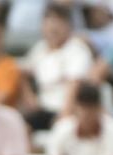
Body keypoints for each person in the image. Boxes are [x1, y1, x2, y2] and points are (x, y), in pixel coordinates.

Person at [19, 5, 94, 133]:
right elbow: (22, 73)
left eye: (58, 24)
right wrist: (29, 97)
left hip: (68, 111)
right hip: (42, 110)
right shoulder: (40, 49)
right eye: (49, 24)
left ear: (68, 26)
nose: (53, 29)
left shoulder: (77, 50)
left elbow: (74, 87)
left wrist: (63, 118)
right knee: (18, 125)